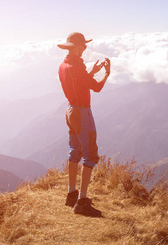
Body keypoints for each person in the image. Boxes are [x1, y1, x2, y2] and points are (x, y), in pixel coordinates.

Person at [57, 32, 110, 217]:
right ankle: (82, 201)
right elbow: (95, 87)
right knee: (90, 155)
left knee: (74, 152)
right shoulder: (77, 67)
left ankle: (71, 194)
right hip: (83, 113)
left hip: (71, 111)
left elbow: (77, 83)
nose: (85, 49)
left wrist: (91, 72)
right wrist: (106, 75)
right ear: (77, 46)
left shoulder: (64, 66)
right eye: (84, 46)